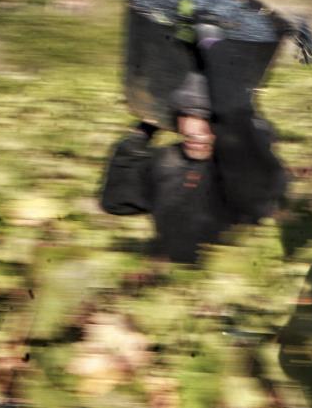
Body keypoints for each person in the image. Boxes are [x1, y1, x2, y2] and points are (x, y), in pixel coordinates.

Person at [100, 71, 286, 264]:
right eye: (186, 114)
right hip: (171, 279)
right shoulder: (168, 162)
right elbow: (118, 203)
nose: (194, 130)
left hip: (235, 275)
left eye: (206, 117)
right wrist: (142, 133)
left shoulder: (245, 165)